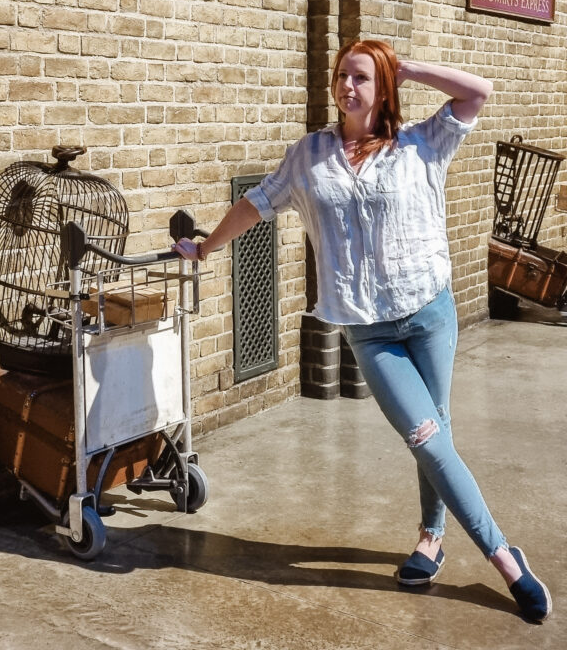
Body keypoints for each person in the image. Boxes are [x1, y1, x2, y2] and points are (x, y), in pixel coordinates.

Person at [173, 38, 552, 623]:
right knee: (425, 435)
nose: (348, 87)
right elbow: (258, 203)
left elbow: (479, 92)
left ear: (383, 89)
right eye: (342, 76)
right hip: (367, 328)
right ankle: (506, 560)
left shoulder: (422, 142)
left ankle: (431, 536)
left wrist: (409, 68)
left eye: (362, 78)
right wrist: (204, 246)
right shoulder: (310, 155)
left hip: (429, 310)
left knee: (438, 432)